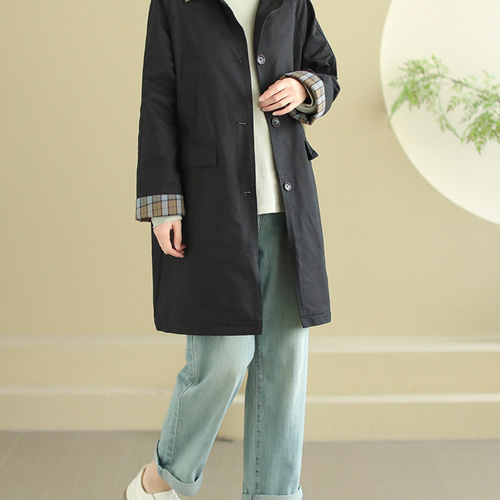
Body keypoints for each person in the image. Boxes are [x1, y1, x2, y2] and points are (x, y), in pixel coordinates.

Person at [125, 0, 340, 498]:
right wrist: (163, 204)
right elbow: (157, 99)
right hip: (212, 206)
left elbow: (324, 69)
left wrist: (303, 87)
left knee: (284, 367)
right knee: (221, 360)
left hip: (285, 203)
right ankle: (160, 481)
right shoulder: (175, 5)